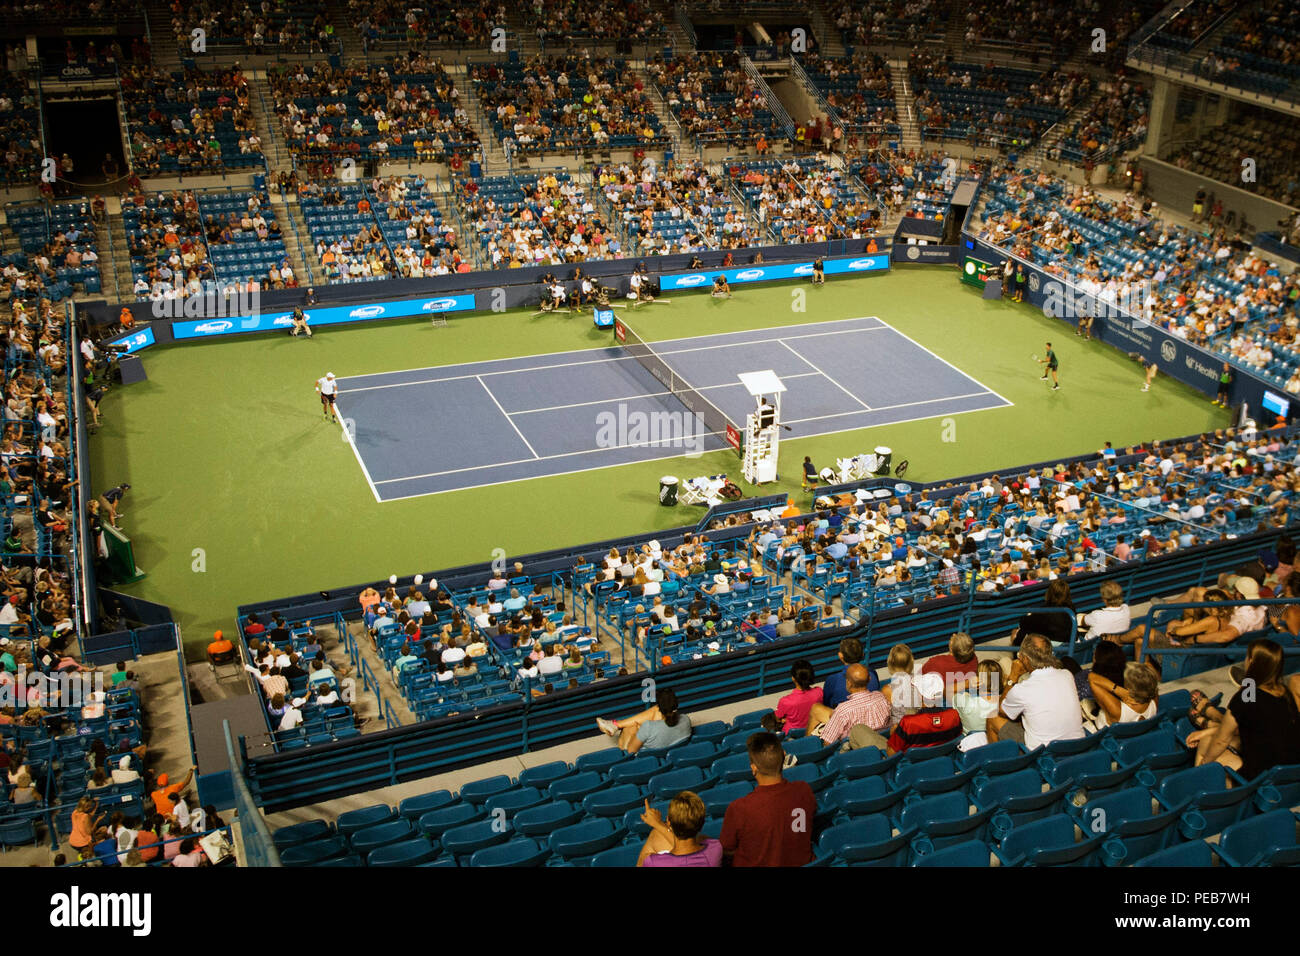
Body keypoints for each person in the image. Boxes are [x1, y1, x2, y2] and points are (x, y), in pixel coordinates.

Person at [1185, 639, 1300, 778]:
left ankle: (1199, 783)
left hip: (1263, 776)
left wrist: (1204, 763)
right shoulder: (1285, 692)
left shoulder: (1244, 699)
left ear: (1251, 662)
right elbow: (1255, 723)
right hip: (1290, 770)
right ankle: (1212, 719)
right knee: (1212, 738)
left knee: (1207, 748)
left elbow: (1221, 741)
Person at [719, 732, 815, 867]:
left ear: (753, 768)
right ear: (783, 756)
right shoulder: (804, 790)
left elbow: (726, 849)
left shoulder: (738, 809)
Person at [986, 633, 1084, 748]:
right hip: (1077, 744)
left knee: (992, 718)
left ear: (1026, 659)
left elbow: (1002, 710)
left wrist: (1013, 677)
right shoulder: (1067, 675)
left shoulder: (1022, 690)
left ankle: (999, 763)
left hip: (1045, 753)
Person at [808, 663, 889, 745]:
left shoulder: (843, 710)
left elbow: (828, 742)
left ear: (849, 683)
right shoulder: (881, 697)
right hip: (878, 742)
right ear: (869, 679)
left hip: (854, 751)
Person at [885, 672, 963, 753]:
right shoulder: (954, 716)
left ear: (921, 696)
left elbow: (891, 753)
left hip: (914, 764)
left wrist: (893, 735)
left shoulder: (908, 722)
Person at [637, 793, 722, 867]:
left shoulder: (653, 862)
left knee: (655, 834)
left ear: (668, 821)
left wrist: (658, 824)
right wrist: (658, 825)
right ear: (702, 824)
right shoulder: (715, 848)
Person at [596, 688, 691, 754]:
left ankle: (616, 725)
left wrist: (638, 729)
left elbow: (631, 751)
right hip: (669, 753)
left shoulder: (648, 727)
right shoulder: (686, 720)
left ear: (660, 708)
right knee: (648, 717)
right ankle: (616, 725)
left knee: (631, 727)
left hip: (646, 759)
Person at [1090, 661, 1159, 726]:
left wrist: (1117, 689)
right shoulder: (1154, 699)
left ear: (1128, 688)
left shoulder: (1117, 710)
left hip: (1100, 733)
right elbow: (1149, 665)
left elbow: (1091, 677)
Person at [1012, 578, 1075, 646]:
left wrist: (1029, 616)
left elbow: (1024, 623)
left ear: (1049, 593)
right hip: (1067, 644)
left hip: (1051, 647)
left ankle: (1016, 652)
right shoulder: (1071, 609)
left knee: (1017, 632)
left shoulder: (1046, 610)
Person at [821, 635, 879, 709]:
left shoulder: (832, 680)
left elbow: (826, 704)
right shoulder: (872, 673)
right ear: (862, 655)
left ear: (840, 656)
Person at [772, 659, 822, 733]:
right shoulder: (819, 692)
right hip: (813, 731)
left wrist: (784, 719)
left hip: (791, 735)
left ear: (793, 678)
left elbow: (777, 718)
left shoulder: (785, 701)